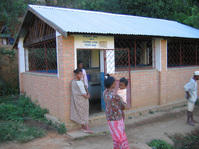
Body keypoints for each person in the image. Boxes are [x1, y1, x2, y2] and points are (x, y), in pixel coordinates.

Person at [104, 74, 129, 149]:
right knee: (120, 137)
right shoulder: (115, 96)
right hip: (117, 119)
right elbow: (123, 106)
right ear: (112, 85)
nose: (116, 84)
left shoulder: (104, 92)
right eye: (115, 82)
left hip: (109, 118)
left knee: (115, 136)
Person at [70, 69, 93, 133]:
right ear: (76, 75)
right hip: (82, 101)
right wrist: (88, 96)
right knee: (85, 114)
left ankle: (83, 127)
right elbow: (83, 93)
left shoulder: (73, 81)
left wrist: (87, 93)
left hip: (77, 101)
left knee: (81, 113)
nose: (82, 75)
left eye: (82, 74)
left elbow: (84, 88)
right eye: (80, 74)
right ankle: (87, 128)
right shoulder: (79, 83)